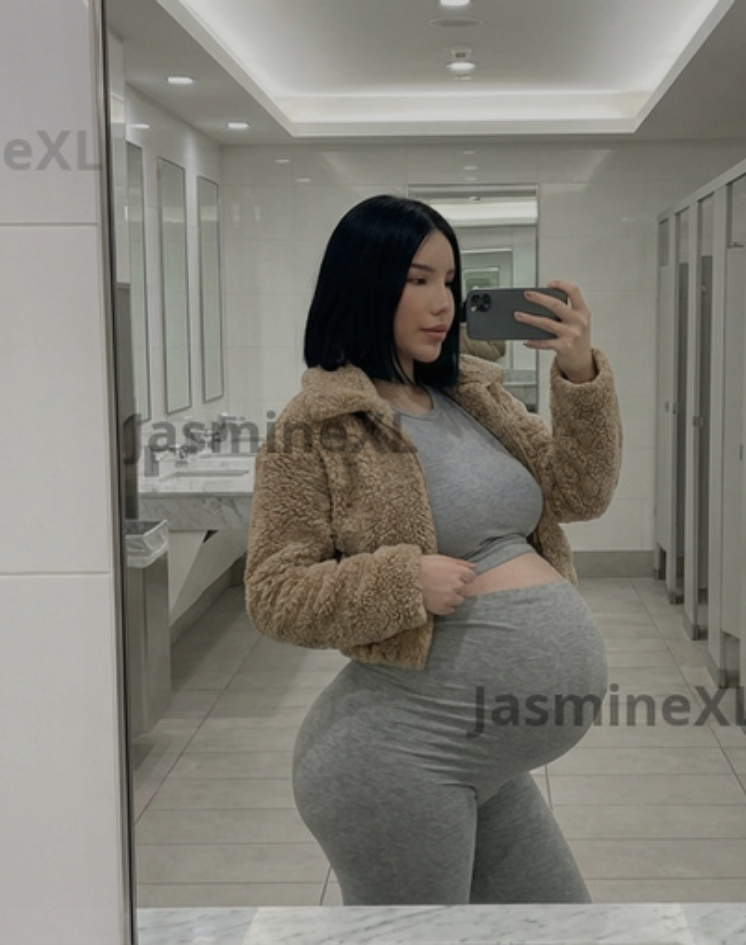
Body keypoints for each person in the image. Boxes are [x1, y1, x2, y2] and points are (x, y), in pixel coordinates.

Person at [244, 194, 622, 905]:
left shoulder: (470, 396)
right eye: (417, 279)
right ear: (364, 284)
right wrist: (401, 581)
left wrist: (578, 375)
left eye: (449, 280)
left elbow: (581, 491)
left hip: (480, 756)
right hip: (397, 756)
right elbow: (272, 591)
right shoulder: (316, 425)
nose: (442, 301)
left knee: (561, 926)